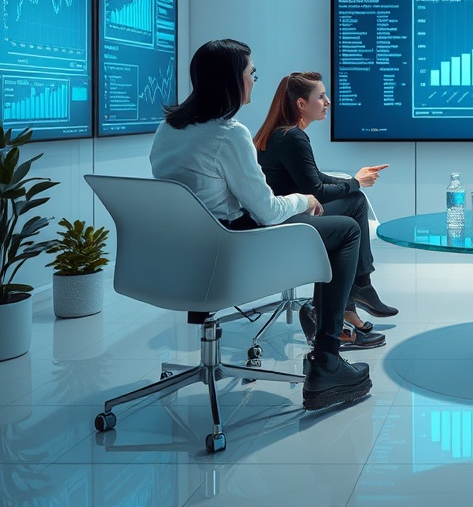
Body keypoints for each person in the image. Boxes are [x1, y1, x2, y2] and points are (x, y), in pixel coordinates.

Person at [149, 39, 370, 411]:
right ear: (232, 80)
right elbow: (266, 211)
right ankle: (328, 359)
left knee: (333, 220)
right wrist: (304, 199)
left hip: (180, 257)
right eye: (252, 73)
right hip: (230, 251)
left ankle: (341, 313)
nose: (255, 80)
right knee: (346, 230)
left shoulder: (167, 129)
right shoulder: (228, 133)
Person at [253, 71, 396, 340]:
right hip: (289, 221)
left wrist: (355, 180)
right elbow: (315, 190)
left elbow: (314, 178)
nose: (328, 101)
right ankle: (358, 289)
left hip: (287, 214)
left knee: (354, 200)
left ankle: (351, 303)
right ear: (301, 104)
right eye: (320, 96)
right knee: (351, 211)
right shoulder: (292, 137)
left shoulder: (280, 133)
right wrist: (356, 183)